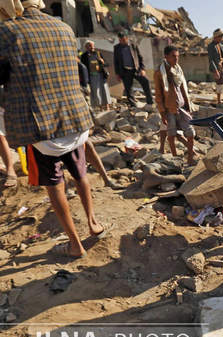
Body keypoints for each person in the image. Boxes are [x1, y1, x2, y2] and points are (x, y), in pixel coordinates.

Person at [0, 0, 105, 258]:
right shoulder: (64, 28)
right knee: (80, 174)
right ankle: (93, 222)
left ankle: (75, 245)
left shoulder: (8, 31)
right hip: (75, 120)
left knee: (54, 185)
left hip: (41, 129)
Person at [154, 45, 197, 165]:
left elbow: (183, 89)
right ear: (166, 56)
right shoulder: (160, 72)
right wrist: (162, 113)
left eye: (177, 56)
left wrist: (188, 106)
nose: (176, 58)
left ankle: (190, 158)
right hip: (169, 109)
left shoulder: (178, 70)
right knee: (171, 135)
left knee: (190, 133)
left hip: (182, 108)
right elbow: (158, 94)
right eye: (173, 56)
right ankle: (176, 159)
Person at [113, 31, 154, 108]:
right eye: (120, 40)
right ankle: (133, 106)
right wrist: (117, 74)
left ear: (127, 38)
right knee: (128, 89)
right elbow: (116, 62)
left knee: (146, 81)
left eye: (123, 40)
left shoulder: (133, 45)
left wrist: (142, 69)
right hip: (125, 71)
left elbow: (140, 57)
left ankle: (150, 102)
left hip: (136, 69)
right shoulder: (117, 48)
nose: (122, 42)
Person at [80, 40, 110, 110]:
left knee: (104, 90)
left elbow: (106, 64)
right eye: (90, 46)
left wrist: (103, 62)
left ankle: (107, 107)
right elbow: (83, 67)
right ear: (86, 47)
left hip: (101, 75)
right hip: (92, 76)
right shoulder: (84, 56)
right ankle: (100, 108)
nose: (92, 47)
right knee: (96, 92)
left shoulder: (98, 53)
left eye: (93, 45)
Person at [207, 28, 223, 104]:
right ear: (216, 37)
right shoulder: (211, 46)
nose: (221, 38)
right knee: (219, 83)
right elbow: (211, 60)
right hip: (217, 67)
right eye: (220, 37)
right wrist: (215, 70)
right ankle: (219, 101)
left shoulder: (220, 45)